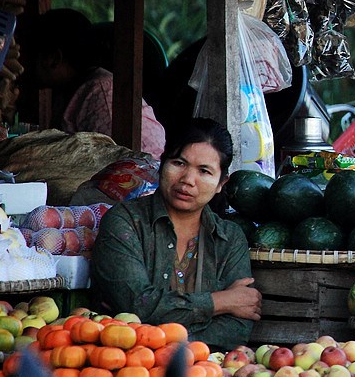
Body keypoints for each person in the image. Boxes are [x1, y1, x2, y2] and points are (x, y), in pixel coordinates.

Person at [90, 117, 262, 351]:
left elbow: (235, 330)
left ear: (221, 182)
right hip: (125, 369)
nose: (187, 180)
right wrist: (219, 302)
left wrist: (158, 336)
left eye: (204, 171)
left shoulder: (229, 239)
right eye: (179, 163)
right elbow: (135, 306)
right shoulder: (125, 222)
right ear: (162, 162)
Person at [20, 8, 166, 158]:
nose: (23, 64)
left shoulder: (100, 94)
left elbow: (133, 161)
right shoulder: (69, 89)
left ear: (54, 59)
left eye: (28, 56)